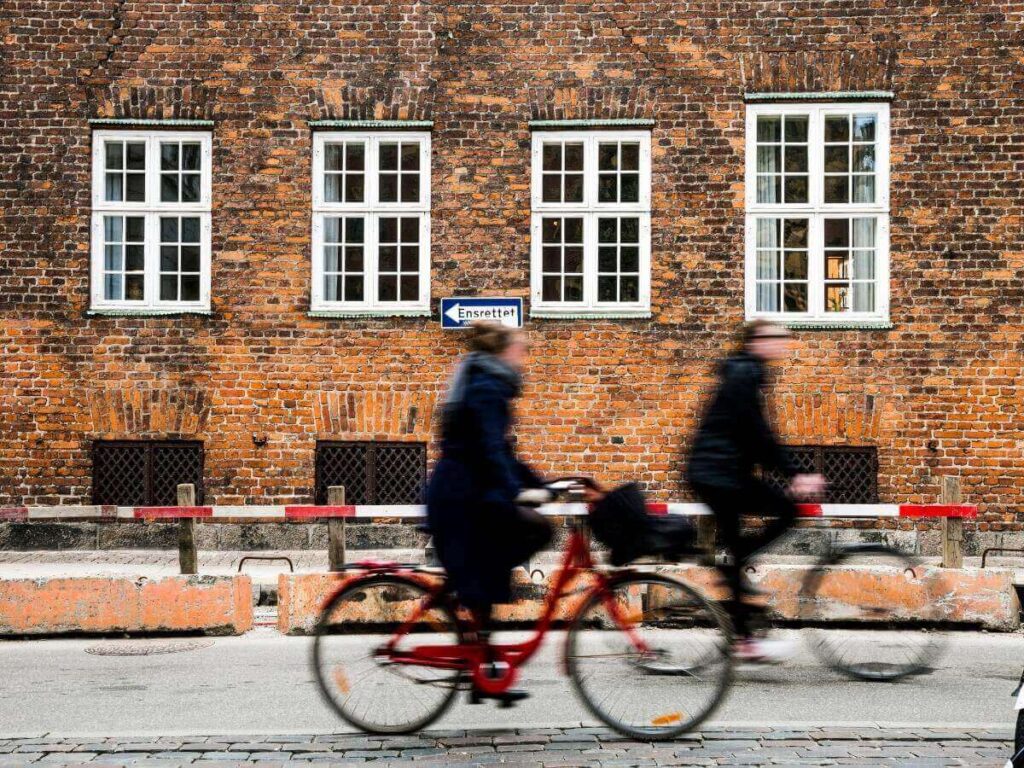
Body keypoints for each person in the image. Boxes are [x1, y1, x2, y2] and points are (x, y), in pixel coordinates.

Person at [425, 320, 552, 701]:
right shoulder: (486, 387)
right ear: (503, 351)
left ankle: (481, 665)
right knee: (535, 532)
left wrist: (543, 484)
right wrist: (521, 492)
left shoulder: (483, 381)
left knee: (492, 564)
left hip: (469, 494)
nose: (524, 357)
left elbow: (502, 451)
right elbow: (491, 450)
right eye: (520, 349)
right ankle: (478, 650)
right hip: (462, 498)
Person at [687, 319, 826, 663]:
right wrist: (796, 475)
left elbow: (755, 435)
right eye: (777, 337)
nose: (783, 344)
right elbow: (758, 434)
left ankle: (743, 638)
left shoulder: (746, 372)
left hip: (719, 472)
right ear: (757, 340)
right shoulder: (744, 374)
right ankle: (739, 589)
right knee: (787, 510)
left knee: (736, 554)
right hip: (719, 474)